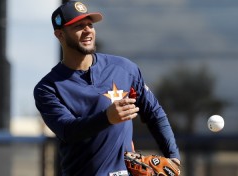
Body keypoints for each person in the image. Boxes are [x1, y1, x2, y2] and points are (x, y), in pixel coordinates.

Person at [33, 1, 180, 175]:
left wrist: (173, 157)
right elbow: (67, 130)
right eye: (78, 26)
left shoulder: (124, 69)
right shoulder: (48, 88)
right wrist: (107, 117)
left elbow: (154, 113)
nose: (88, 30)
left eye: (90, 24)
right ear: (60, 35)